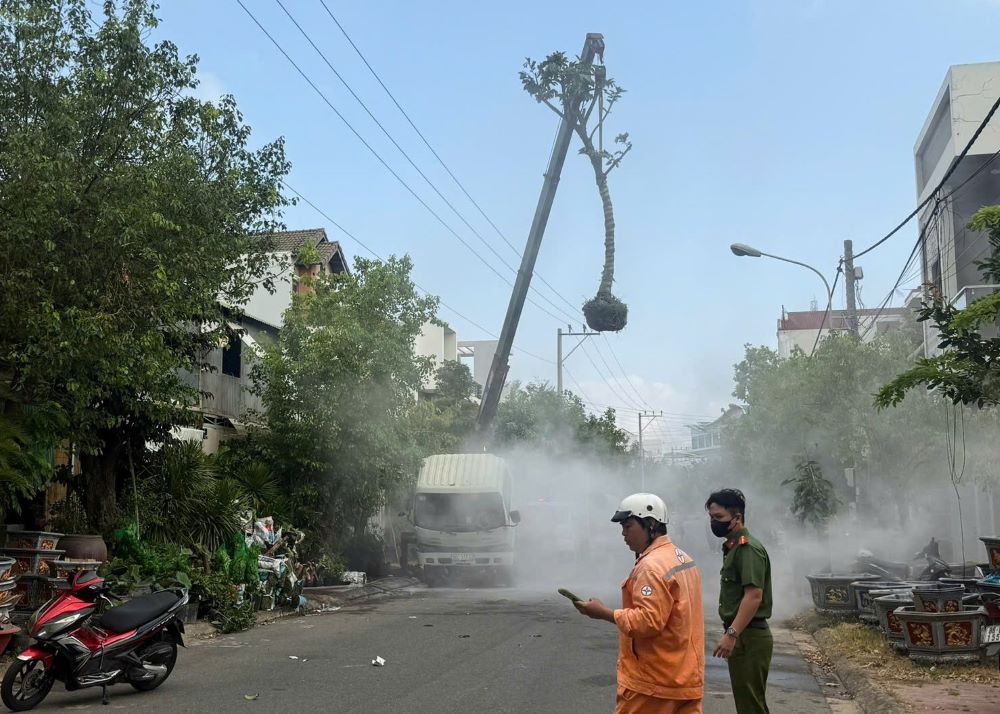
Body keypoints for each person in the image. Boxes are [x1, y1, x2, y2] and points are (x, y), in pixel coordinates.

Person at [574, 493, 704, 714]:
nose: (624, 534)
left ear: (651, 524)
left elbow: (647, 622)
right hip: (685, 680)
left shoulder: (651, 566)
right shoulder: (682, 558)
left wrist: (604, 612)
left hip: (653, 684)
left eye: (628, 526)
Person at [705, 489, 773, 714]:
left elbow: (754, 596)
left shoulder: (747, 549)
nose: (714, 523)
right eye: (711, 517)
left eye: (719, 517)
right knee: (748, 705)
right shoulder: (733, 547)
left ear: (737, 517)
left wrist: (731, 634)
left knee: (751, 707)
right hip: (745, 635)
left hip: (749, 637)